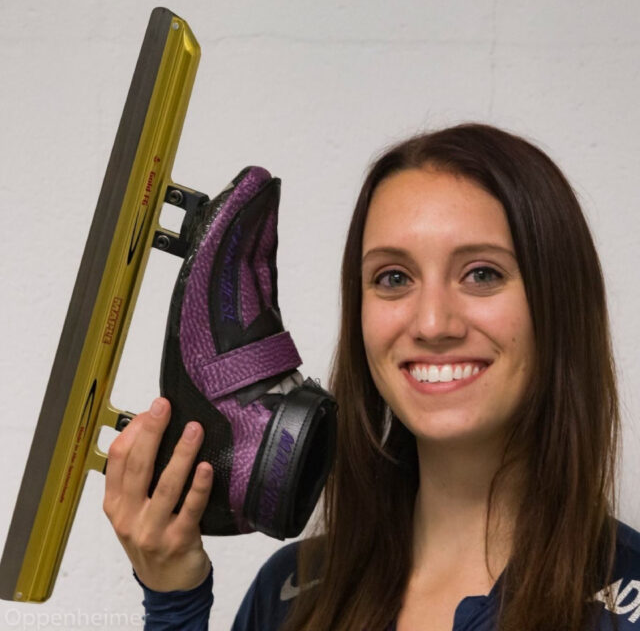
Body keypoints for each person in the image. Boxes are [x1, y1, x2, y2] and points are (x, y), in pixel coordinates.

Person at [103, 123, 640, 631]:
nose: (432, 323)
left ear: (560, 304)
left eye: (482, 274)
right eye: (394, 277)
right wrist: (175, 599)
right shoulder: (292, 594)